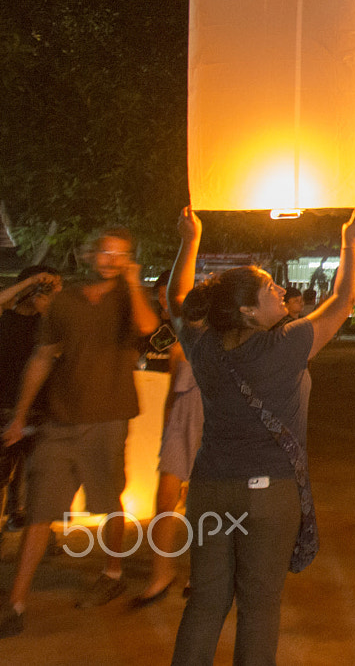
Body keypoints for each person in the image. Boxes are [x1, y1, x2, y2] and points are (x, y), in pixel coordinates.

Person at [167, 203, 355, 666]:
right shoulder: (284, 345)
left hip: (209, 490)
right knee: (259, 608)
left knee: (205, 602)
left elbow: (176, 300)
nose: (281, 289)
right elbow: (342, 303)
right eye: (269, 288)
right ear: (246, 310)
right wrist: (350, 241)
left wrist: (190, 241)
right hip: (268, 496)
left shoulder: (201, 346)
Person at [2, 229, 160, 634]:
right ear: (88, 254)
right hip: (59, 419)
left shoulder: (129, 298)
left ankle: (112, 573)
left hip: (108, 418)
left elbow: (146, 326)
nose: (112, 259)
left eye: (121, 254)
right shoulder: (65, 301)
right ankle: (15, 604)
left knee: (108, 502)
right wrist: (20, 414)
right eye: (106, 252)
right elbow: (42, 355)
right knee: (39, 509)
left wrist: (132, 280)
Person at [132, 269, 205, 607]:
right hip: (179, 426)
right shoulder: (179, 348)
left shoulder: (226, 342)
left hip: (212, 427)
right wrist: (165, 433)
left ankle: (201, 574)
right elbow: (172, 398)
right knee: (164, 502)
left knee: (202, 505)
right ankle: (160, 574)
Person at [0, 267, 62, 531]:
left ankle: (37, 531)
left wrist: (48, 307)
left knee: (39, 475)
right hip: (4, 405)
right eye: (47, 286)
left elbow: (62, 345)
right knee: (2, 472)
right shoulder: (7, 317)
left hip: (41, 407)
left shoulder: (50, 321)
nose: (52, 291)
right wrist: (29, 282)